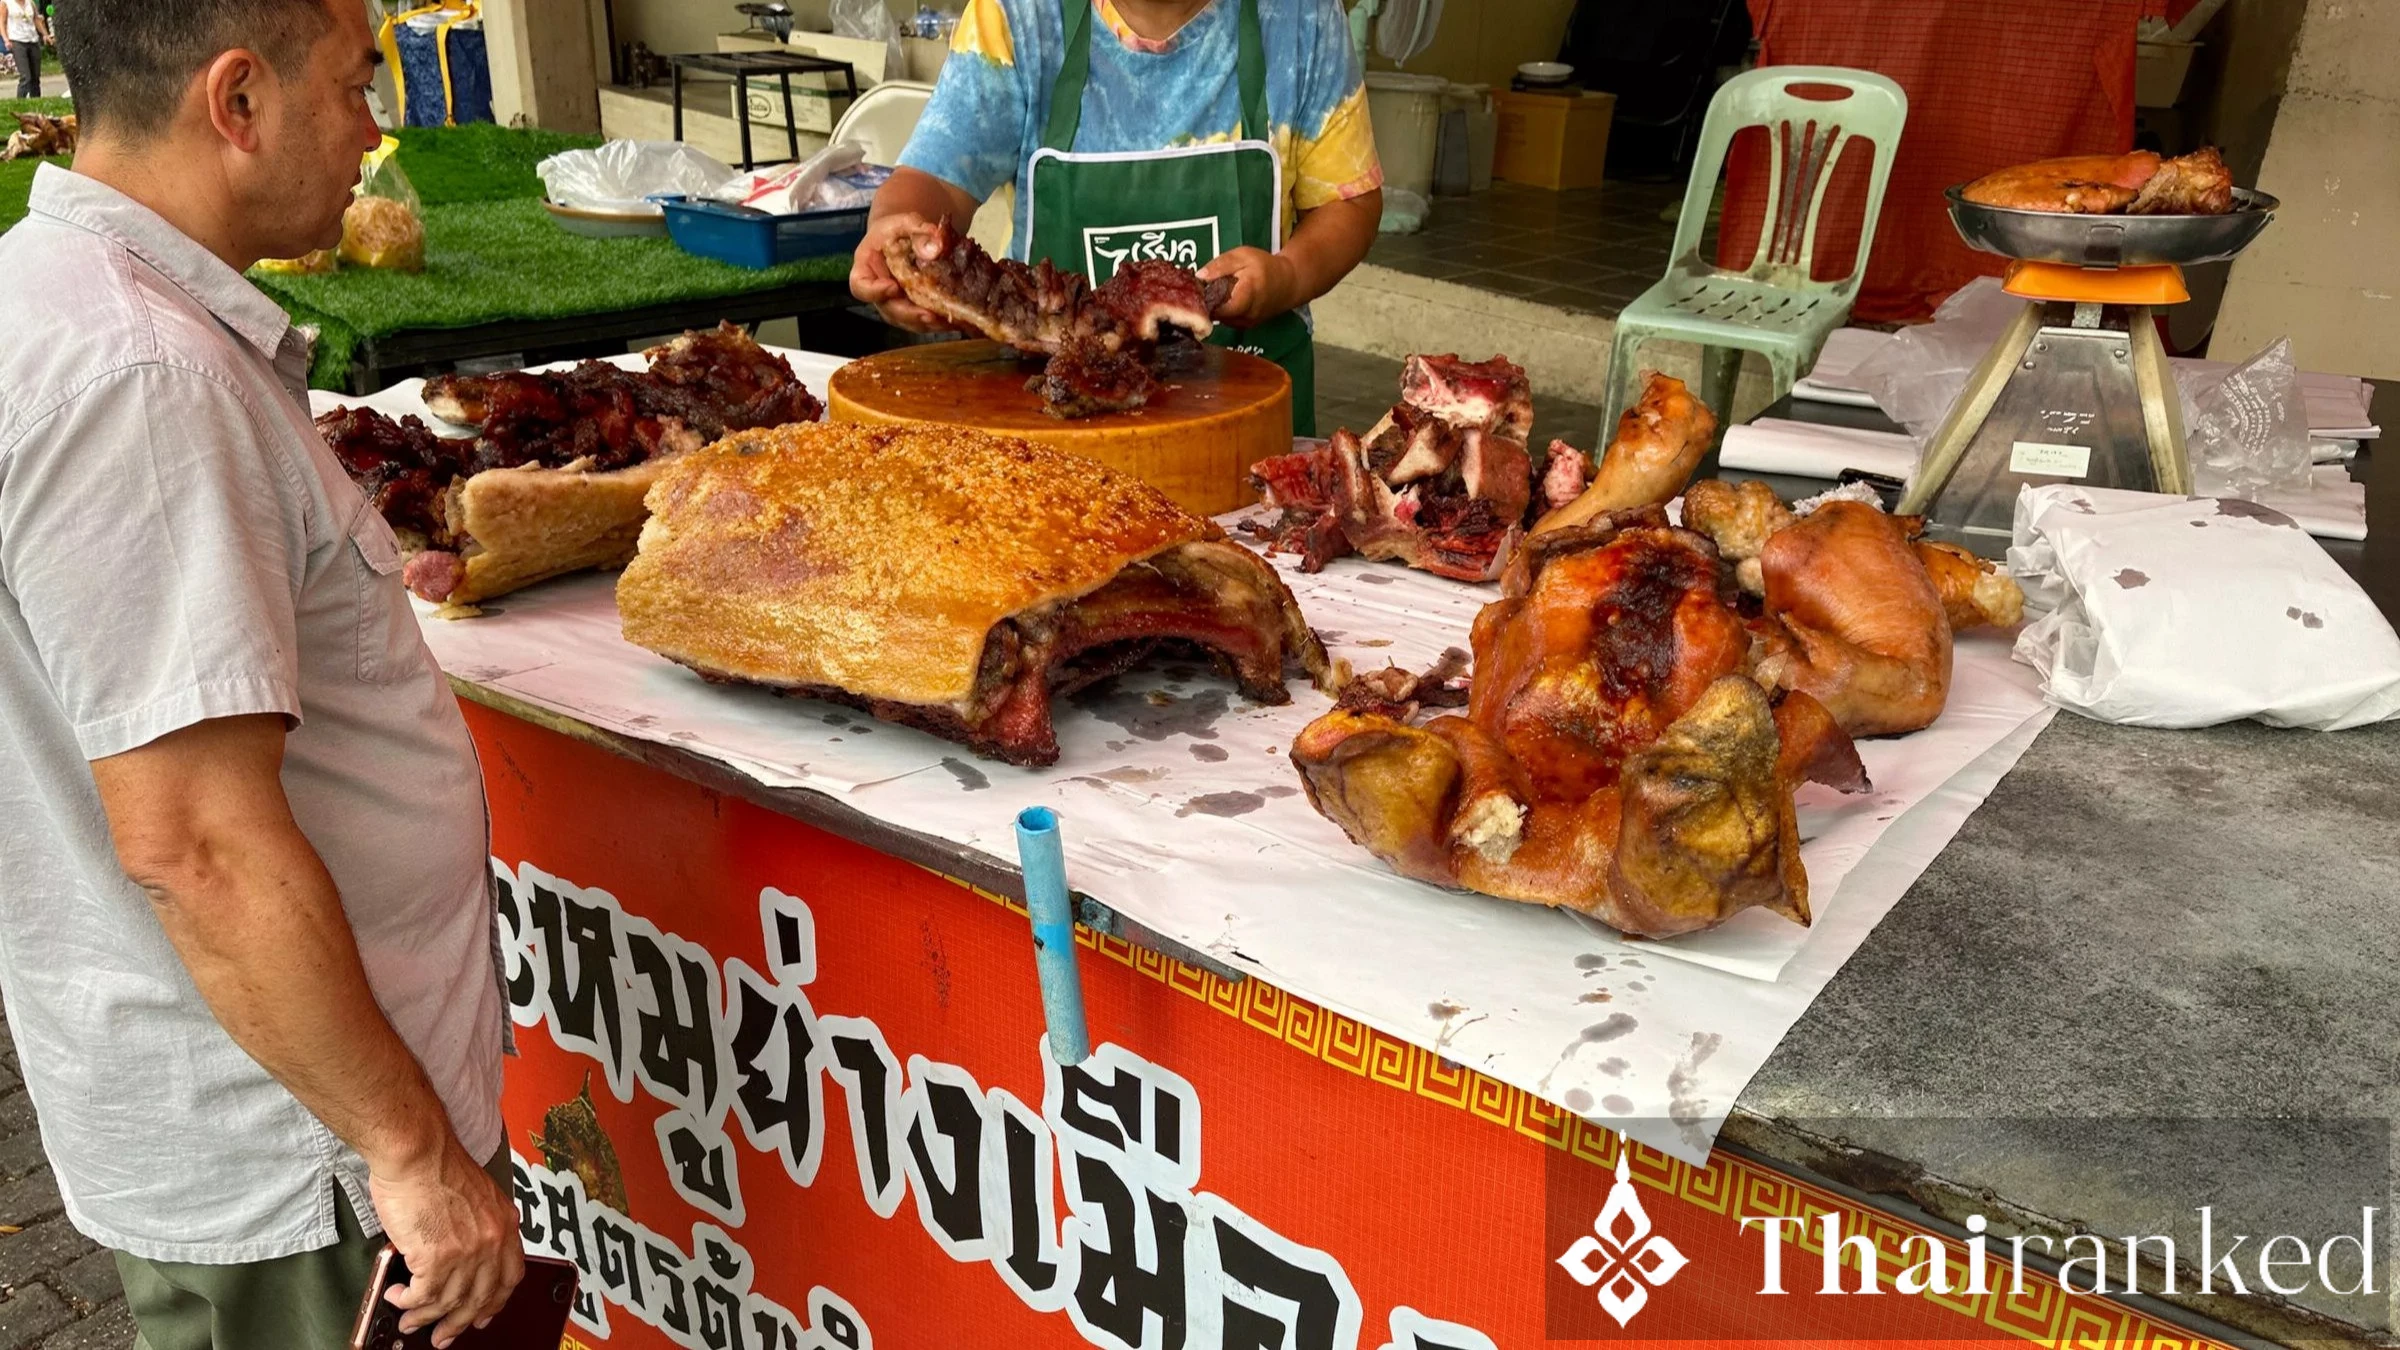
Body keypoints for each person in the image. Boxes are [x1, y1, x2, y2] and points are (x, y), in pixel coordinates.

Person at [0, 1, 524, 1347]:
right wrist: (407, 1152)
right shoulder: (141, 377)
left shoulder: (49, 294)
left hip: (271, 1121)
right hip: (311, 1168)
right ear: (237, 102)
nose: (372, 132)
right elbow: (196, 843)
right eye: (354, 88)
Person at [848, 0, 1384, 434]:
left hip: (1248, 429)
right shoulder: (1018, 16)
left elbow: (1348, 202)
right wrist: (898, 229)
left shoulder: (1302, 20)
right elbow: (938, 179)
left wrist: (1287, 276)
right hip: (1056, 419)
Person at [3, 0, 48, 98]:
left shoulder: (30, 3)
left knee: (35, 76)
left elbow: (36, 19)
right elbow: (2, 23)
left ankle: (36, 100)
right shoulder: (6, 3)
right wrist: (6, 39)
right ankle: (21, 101)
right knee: (26, 77)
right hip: (17, 40)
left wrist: (45, 34)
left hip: (32, 39)